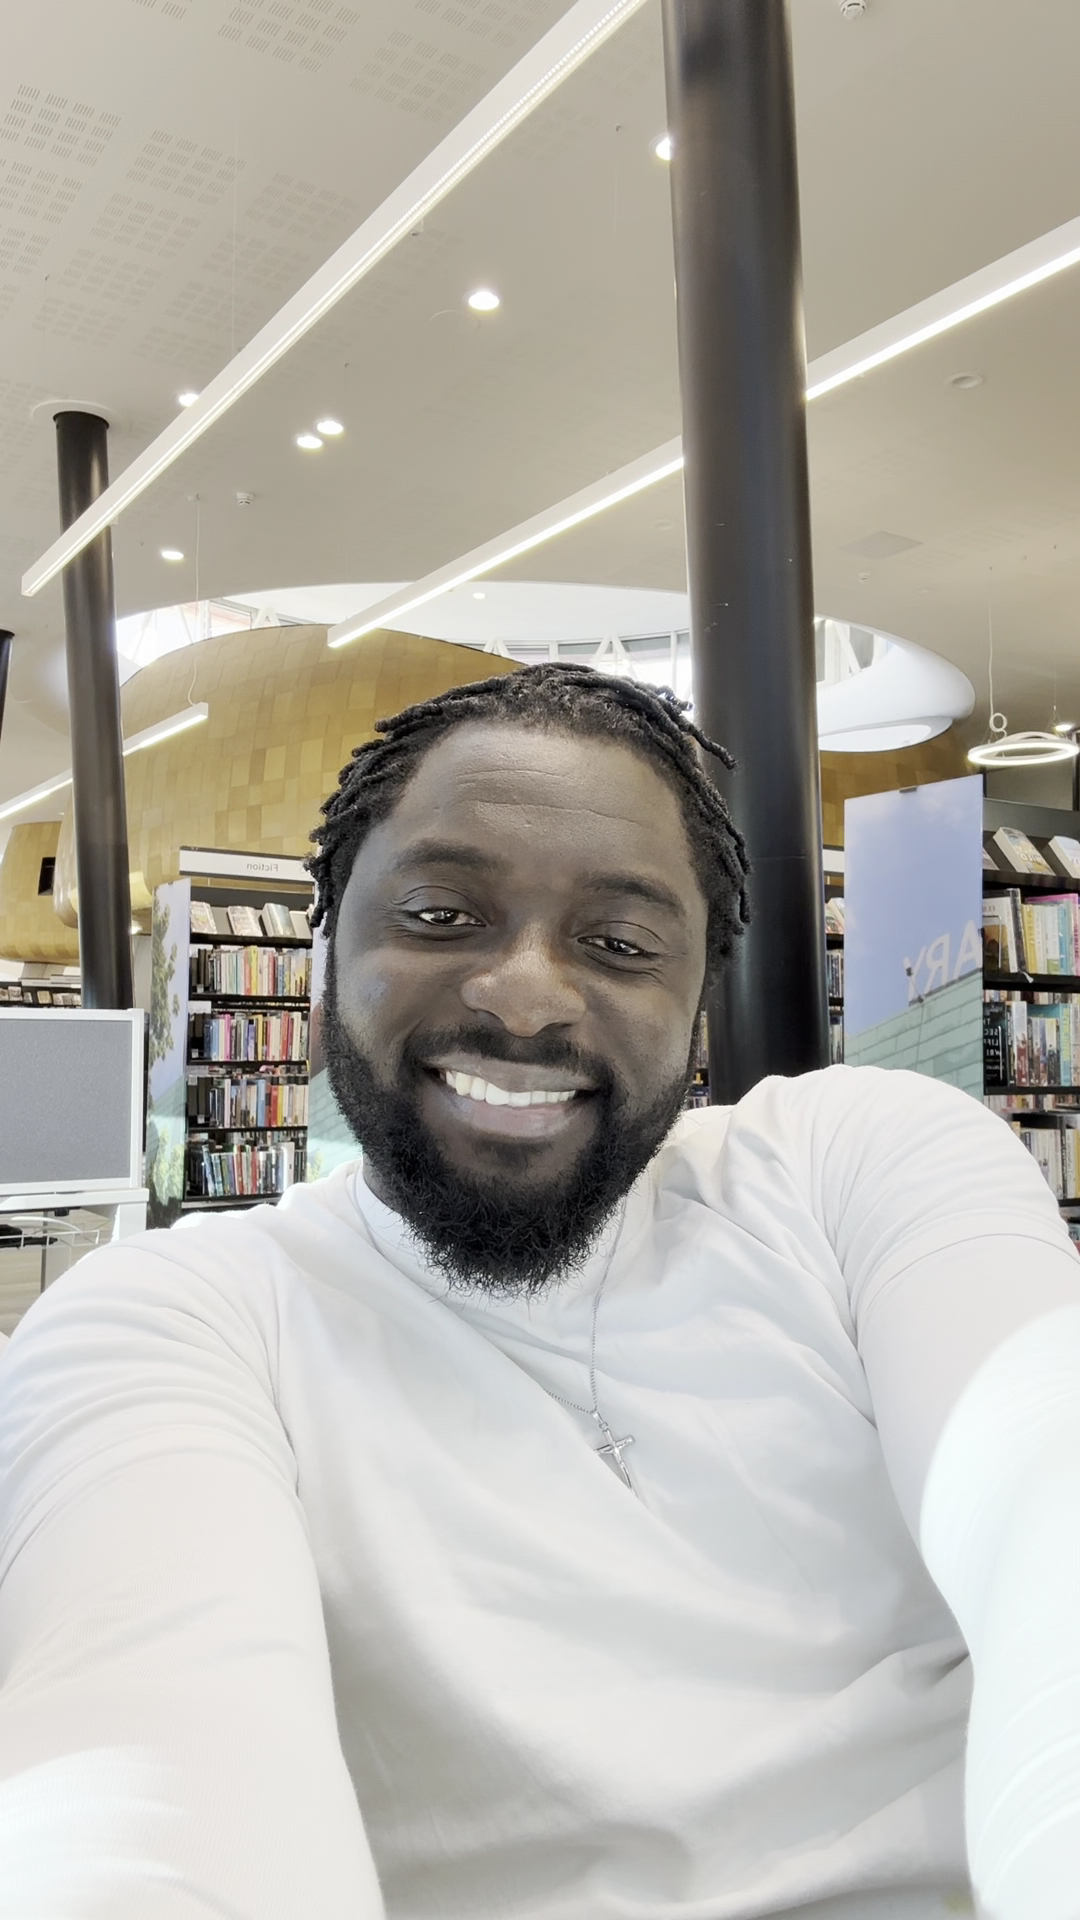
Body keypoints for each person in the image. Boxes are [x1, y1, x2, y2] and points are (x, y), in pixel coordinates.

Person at [1, 662, 1078, 1920]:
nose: (524, 997)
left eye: (620, 944)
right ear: (326, 953)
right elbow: (144, 1770)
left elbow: (1044, 1490)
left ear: (697, 1003)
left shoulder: (850, 1168)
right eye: (441, 914)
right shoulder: (178, 1320)